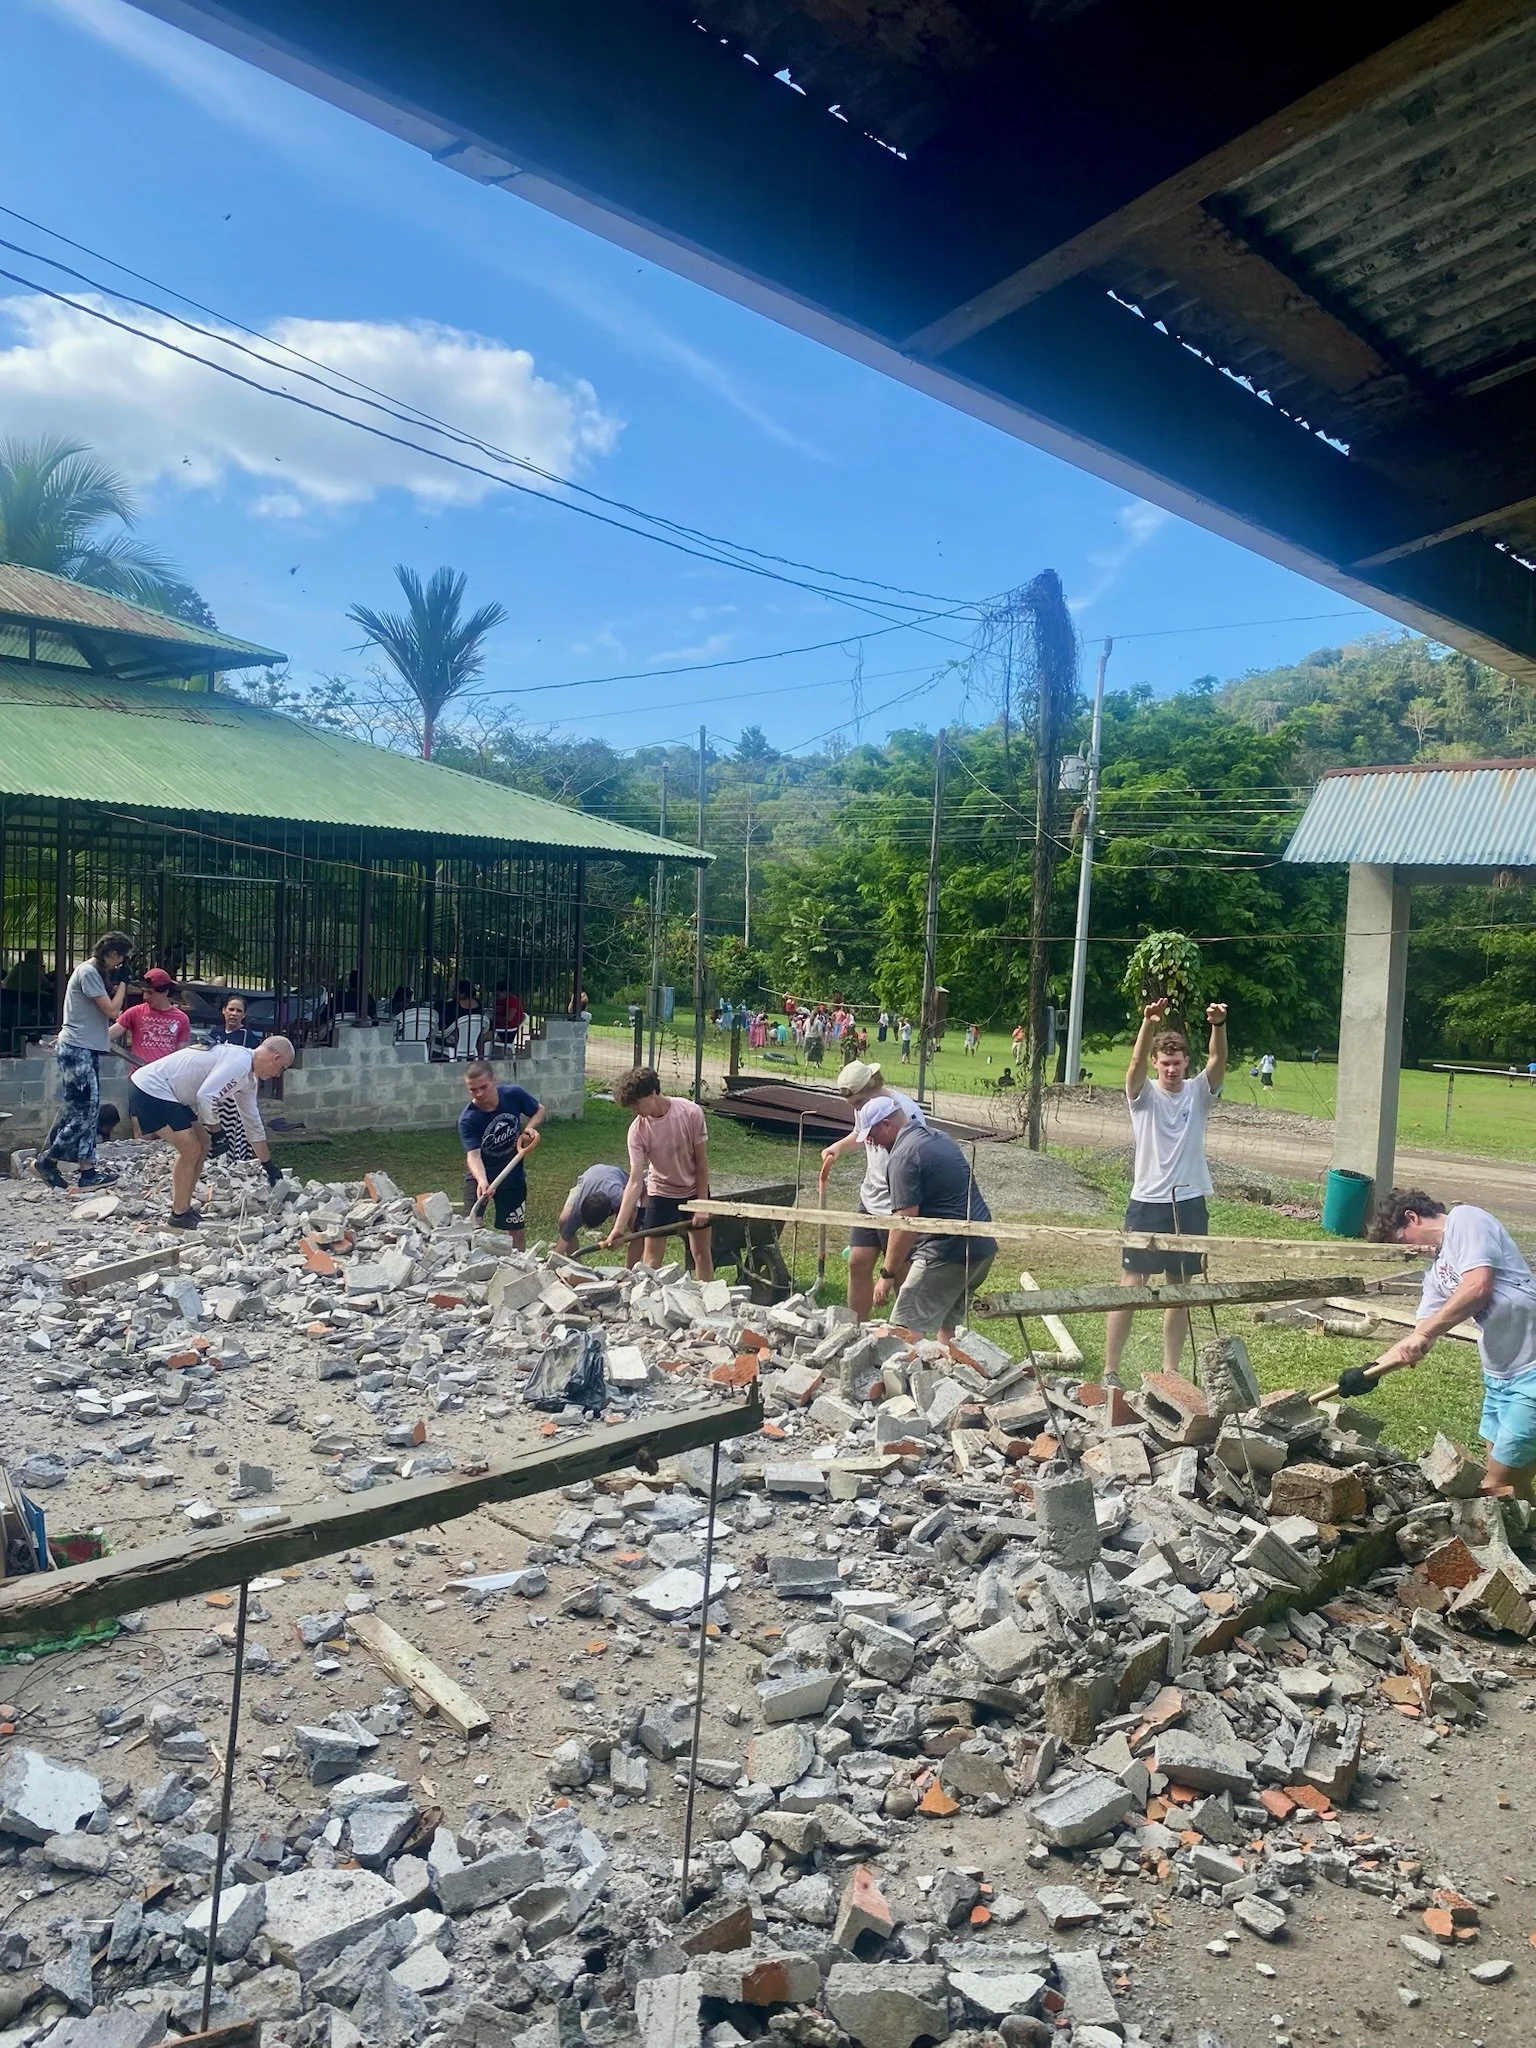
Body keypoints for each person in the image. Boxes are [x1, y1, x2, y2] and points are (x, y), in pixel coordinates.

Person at [1366, 1190, 1536, 1501]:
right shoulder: (1436, 1274)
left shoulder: (1465, 1220)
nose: (1409, 1252)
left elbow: (1478, 1286)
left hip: (1532, 1373)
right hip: (1499, 1378)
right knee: (1516, 1490)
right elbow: (1420, 1335)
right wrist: (1368, 1372)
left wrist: (1426, 1333)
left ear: (1412, 1217)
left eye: (1403, 1241)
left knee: (1496, 1488)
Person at [1103, 997, 1229, 1383]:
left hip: (1188, 1203)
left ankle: (1170, 1371)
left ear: (1186, 1062)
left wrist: (1218, 1025)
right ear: (1156, 1063)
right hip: (1147, 1202)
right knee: (1131, 1287)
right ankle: (1111, 1370)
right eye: (1164, 1063)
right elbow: (1133, 1065)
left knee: (1180, 1290)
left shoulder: (1198, 1092)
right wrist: (1148, 1023)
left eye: (1177, 1063)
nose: (1171, 1069)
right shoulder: (1143, 1096)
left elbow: (1218, 1060)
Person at [858, 1097, 996, 1338]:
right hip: (981, 1249)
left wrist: (887, 1275)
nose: (871, 1142)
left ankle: (901, 1365)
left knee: (905, 1331)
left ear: (887, 1125)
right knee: (947, 1326)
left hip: (945, 1252)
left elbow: (904, 1223)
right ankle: (949, 1361)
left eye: (871, 1134)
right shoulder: (940, 1138)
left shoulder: (903, 1157)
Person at [129, 1038, 295, 1227]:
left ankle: (184, 1208)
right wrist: (218, 1133)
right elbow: (206, 1097)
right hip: (150, 1089)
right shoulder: (240, 1061)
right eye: (282, 1068)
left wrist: (268, 1165)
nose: (277, 1075)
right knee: (191, 1149)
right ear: (276, 1058)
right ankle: (178, 1214)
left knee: (203, 1143)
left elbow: (252, 1122)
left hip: (170, 1094)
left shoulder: (248, 1079)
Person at [818, 1059, 926, 1319]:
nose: (857, 1109)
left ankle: (905, 1334)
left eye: (858, 1103)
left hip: (899, 1203)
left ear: (873, 1088)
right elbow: (860, 1132)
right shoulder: (864, 1105)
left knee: (901, 1273)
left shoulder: (906, 1113)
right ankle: (854, 1329)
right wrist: (839, 1147)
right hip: (870, 1199)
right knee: (857, 1262)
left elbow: (919, 1156)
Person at [33, 930, 133, 1192]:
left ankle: (88, 1171)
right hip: (77, 1048)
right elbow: (112, 1010)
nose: (120, 964)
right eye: (121, 958)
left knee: (85, 1110)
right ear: (113, 954)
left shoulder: (95, 973)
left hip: (86, 1047)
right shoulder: (88, 972)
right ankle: (48, 1160)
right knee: (86, 1111)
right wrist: (124, 983)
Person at [604, 1064, 713, 1279]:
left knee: (701, 1254)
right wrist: (618, 1228)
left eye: (637, 1103)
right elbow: (635, 1182)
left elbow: (701, 1164)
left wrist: (702, 1206)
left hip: (693, 1191)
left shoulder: (691, 1112)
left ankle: (709, 1297)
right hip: (661, 1193)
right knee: (652, 1260)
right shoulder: (637, 1130)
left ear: (652, 1092)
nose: (635, 1110)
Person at [458, 1059, 544, 1247]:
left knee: (516, 1230)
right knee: (471, 1226)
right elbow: (473, 1155)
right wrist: (482, 1180)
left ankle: (519, 1262)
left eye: (484, 1087)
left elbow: (539, 1110)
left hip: (512, 1176)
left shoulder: (513, 1095)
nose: (479, 1094)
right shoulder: (468, 1119)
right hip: (480, 1176)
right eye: (473, 1090)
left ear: (494, 1080)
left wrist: (529, 1128)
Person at [207, 995, 265, 1159]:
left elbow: (254, 1067)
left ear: (244, 1015)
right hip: (213, 1089)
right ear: (223, 1010)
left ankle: (233, 1161)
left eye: (239, 1011)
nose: (234, 1013)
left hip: (234, 1092)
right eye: (231, 1009)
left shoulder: (248, 1037)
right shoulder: (216, 1032)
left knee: (232, 1131)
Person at [112, 969, 191, 1067]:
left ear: (165, 992)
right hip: (140, 1072)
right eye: (144, 992)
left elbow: (181, 1054)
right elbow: (109, 1034)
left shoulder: (181, 1019)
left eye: (150, 992)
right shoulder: (134, 1013)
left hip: (165, 1073)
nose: (145, 997)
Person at [555, 1162, 631, 1258]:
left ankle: (633, 1265)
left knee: (635, 1225)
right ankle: (574, 1262)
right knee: (564, 1220)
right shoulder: (577, 1209)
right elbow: (561, 1244)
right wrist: (554, 1258)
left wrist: (619, 1232)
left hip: (617, 1176)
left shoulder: (619, 1197)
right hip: (590, 1175)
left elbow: (632, 1203)